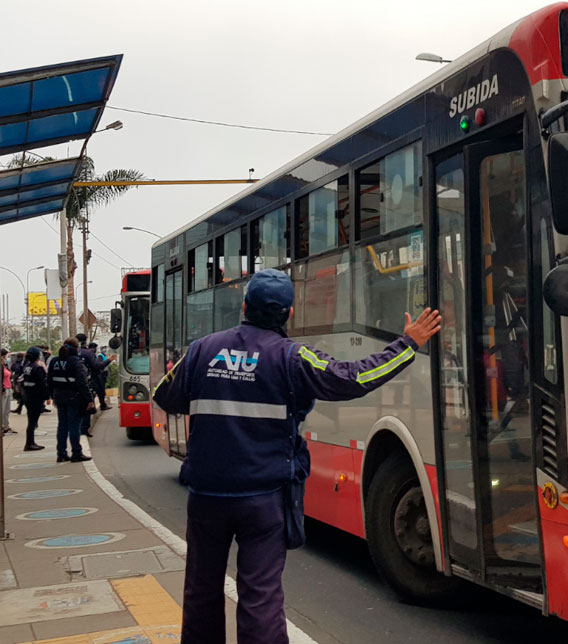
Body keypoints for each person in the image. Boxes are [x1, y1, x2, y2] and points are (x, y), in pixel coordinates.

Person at [153, 269, 442, 644]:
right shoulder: (292, 357)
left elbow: (165, 395)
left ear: (244, 306)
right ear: (289, 313)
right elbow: (352, 378)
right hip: (264, 499)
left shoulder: (201, 350)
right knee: (260, 597)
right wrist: (406, 344)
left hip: (207, 498)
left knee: (201, 591)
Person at [48, 337, 97, 463]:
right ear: (76, 348)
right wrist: (89, 399)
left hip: (59, 398)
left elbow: (49, 381)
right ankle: (76, 452)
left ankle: (61, 453)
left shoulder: (54, 361)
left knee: (62, 426)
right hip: (74, 398)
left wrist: (52, 396)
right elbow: (83, 383)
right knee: (74, 426)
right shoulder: (77, 362)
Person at [75, 333, 111, 436]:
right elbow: (97, 366)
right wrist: (109, 360)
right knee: (88, 403)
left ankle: (78, 428)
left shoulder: (70, 353)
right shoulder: (88, 353)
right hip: (87, 381)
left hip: (71, 386)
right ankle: (84, 429)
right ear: (85, 341)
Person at [19, 347, 49, 451]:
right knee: (33, 421)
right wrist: (47, 396)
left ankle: (30, 442)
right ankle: (29, 443)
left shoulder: (27, 367)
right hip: (36, 397)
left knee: (31, 421)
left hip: (28, 396)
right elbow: (42, 384)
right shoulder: (38, 368)